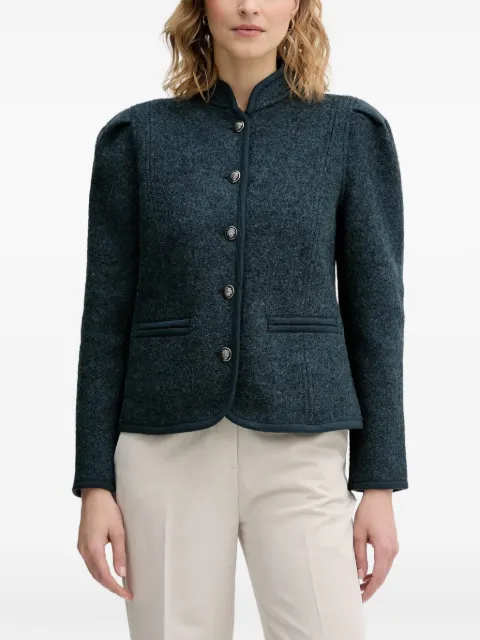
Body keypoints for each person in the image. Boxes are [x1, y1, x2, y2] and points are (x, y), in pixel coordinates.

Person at [73, 1, 408, 638]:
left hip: (302, 441)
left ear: (298, 6)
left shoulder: (348, 132)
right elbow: (105, 319)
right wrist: (94, 482)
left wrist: (379, 483)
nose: (250, 5)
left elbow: (378, 316)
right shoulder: (137, 138)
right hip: (163, 448)